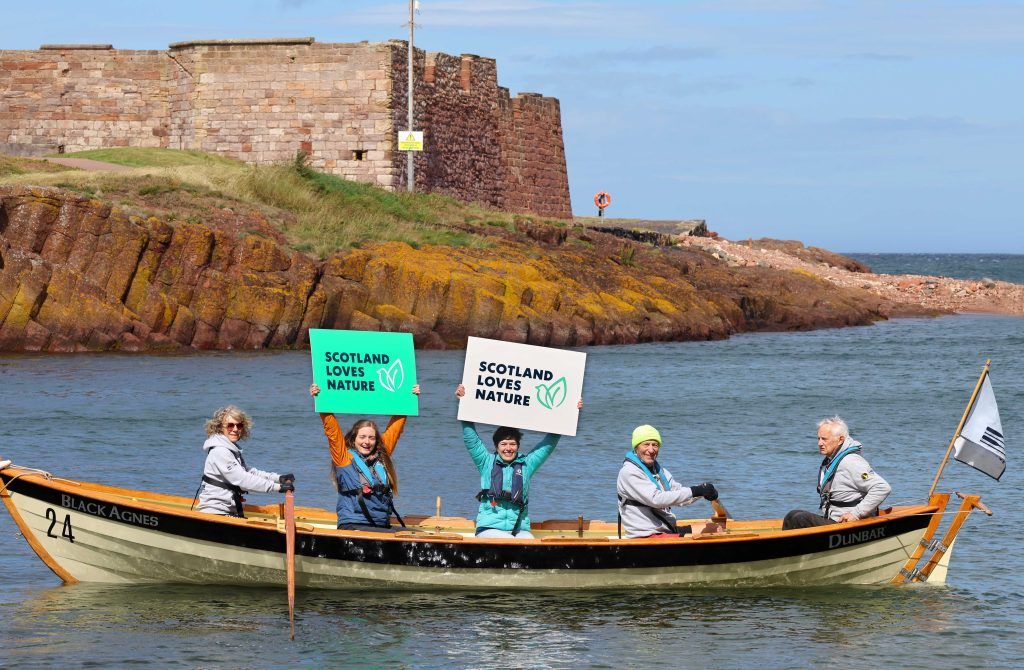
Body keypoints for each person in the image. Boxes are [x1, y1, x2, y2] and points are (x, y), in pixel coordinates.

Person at [454, 384, 583, 539]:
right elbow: (471, 440)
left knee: (529, 542)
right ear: (496, 446)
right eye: (504, 444)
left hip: (519, 528)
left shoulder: (527, 465)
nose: (508, 448)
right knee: (509, 541)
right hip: (489, 528)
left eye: (512, 444)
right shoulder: (485, 462)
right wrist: (463, 402)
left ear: (518, 446)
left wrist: (568, 412)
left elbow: (548, 444)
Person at [310, 382, 420, 532]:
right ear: (354, 439)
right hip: (354, 524)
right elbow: (332, 432)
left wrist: (409, 397)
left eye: (371, 438)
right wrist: (321, 400)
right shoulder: (343, 458)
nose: (367, 442)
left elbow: (395, 429)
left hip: (381, 525)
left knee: (412, 534)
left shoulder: (382, 455)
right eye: (362, 437)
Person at [782, 416, 891, 530]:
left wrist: (856, 514)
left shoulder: (851, 462)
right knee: (792, 515)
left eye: (824, 439)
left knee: (799, 519)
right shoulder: (832, 459)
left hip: (848, 525)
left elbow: (882, 488)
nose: (819, 443)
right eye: (818, 438)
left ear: (840, 440)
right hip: (834, 521)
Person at [616, 424, 720, 539]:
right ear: (636, 447)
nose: (651, 450)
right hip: (646, 535)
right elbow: (657, 499)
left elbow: (678, 495)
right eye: (646, 444)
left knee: (716, 528)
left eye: (655, 445)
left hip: (666, 529)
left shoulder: (659, 471)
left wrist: (703, 490)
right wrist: (695, 491)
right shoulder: (629, 472)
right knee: (706, 538)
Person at [195, 405, 294, 518]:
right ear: (220, 427)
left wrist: (278, 478)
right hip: (216, 511)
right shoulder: (220, 452)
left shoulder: (230, 448)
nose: (235, 429)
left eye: (239, 425)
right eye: (230, 425)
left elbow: (249, 472)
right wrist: (277, 487)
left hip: (229, 509)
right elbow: (243, 479)